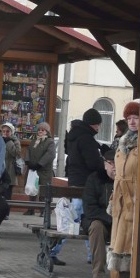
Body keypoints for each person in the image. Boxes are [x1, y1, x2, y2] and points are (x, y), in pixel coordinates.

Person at [53, 108, 106, 266]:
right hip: (85, 183)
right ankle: (51, 250)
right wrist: (103, 169)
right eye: (98, 125)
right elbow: (93, 163)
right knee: (76, 219)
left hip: (75, 181)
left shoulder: (75, 135)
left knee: (86, 218)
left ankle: (92, 254)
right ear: (94, 124)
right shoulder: (86, 138)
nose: (98, 128)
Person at [108, 101, 140, 278]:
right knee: (120, 257)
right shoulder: (123, 143)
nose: (132, 121)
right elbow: (119, 177)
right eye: (129, 118)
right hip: (120, 207)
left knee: (130, 256)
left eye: (136, 117)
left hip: (136, 207)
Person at [82, 149, 116, 278]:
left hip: (121, 221)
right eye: (111, 163)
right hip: (100, 220)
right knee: (96, 227)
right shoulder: (95, 179)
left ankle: (128, 274)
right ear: (105, 164)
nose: (115, 166)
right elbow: (90, 209)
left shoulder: (127, 180)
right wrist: (110, 219)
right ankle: (98, 276)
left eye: (117, 163)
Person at [24, 121, 56, 215]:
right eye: (39, 130)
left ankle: (44, 210)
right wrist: (28, 162)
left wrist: (40, 164)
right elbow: (28, 151)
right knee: (32, 189)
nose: (40, 131)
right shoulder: (34, 141)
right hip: (33, 169)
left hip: (44, 170)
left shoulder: (50, 142)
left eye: (43, 130)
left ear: (47, 131)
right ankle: (31, 209)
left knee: (44, 191)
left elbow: (50, 154)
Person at [0, 122, 22, 202]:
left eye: (7, 131)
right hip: (0, 170)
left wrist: (8, 142)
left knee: (7, 194)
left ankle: (6, 212)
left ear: (11, 132)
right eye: (3, 131)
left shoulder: (15, 141)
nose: (5, 133)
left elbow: (17, 153)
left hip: (10, 171)